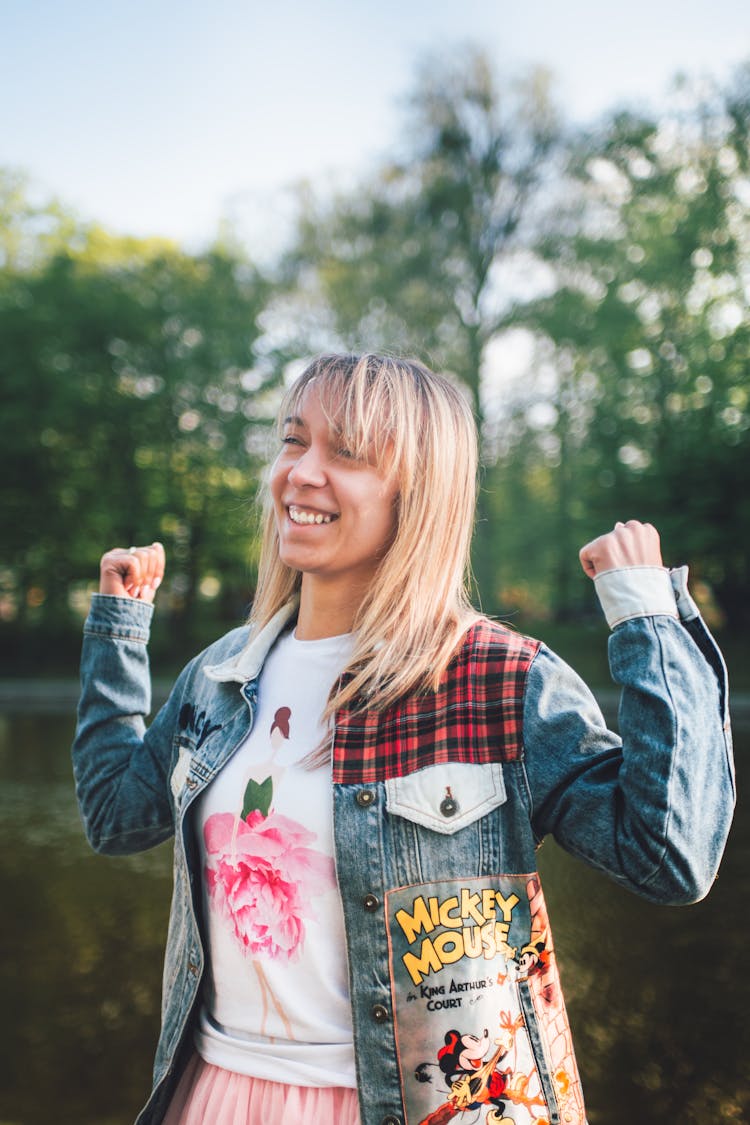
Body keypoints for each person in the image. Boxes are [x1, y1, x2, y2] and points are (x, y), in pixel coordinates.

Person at [72, 352, 734, 1125]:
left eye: (345, 452)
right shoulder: (222, 673)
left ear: (416, 496)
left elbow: (668, 857)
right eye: (293, 441)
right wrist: (120, 631)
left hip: (426, 1108)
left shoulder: (498, 679)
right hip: (218, 1092)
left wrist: (646, 612)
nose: (301, 473)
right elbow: (117, 816)